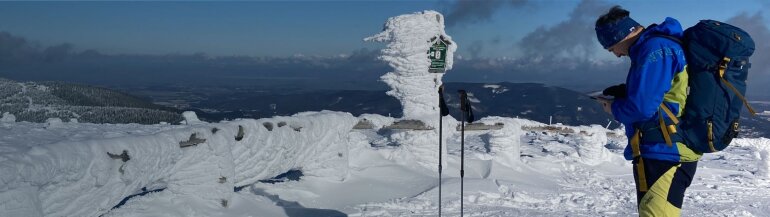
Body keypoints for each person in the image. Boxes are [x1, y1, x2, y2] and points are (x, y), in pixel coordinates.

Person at [593, 6, 701, 217]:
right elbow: (664, 94)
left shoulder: (655, 49)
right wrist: (625, 92)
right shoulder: (656, 47)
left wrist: (613, 107)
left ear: (621, 36)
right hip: (661, 147)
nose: (616, 54)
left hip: (667, 150)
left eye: (612, 48)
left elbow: (641, 108)